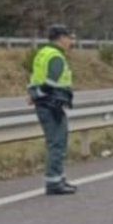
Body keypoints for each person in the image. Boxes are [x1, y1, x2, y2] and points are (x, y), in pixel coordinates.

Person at [28, 25, 78, 195]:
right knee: (57, 143)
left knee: (56, 142)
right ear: (61, 38)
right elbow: (50, 83)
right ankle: (54, 182)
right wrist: (38, 95)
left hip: (45, 104)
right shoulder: (56, 56)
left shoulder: (42, 53)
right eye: (70, 38)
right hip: (52, 104)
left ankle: (59, 179)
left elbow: (35, 78)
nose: (72, 42)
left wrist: (34, 94)